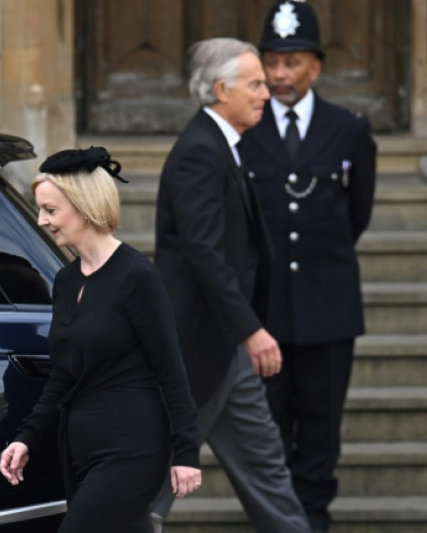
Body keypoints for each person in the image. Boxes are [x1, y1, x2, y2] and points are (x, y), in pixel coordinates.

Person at [150, 38, 311, 533]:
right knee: (155, 480)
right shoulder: (199, 151)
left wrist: (243, 331)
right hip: (198, 346)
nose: (267, 93)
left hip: (225, 347)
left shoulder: (221, 144)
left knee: (266, 468)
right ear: (222, 90)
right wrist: (251, 329)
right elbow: (204, 253)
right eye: (256, 84)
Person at [0, 146, 202, 532]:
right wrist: (27, 437)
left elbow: (171, 370)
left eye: (51, 210)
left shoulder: (137, 277)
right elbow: (62, 376)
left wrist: (186, 452)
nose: (41, 220)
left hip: (132, 448)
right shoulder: (66, 280)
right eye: (41, 209)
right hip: (80, 450)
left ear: (85, 206)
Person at [240, 3, 377, 531]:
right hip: (266, 310)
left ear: (315, 66)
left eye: (292, 62)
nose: (280, 74)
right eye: (272, 62)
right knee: (268, 424)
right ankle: (275, 519)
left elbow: (356, 215)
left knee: (321, 425)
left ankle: (313, 517)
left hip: (328, 307)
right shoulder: (245, 130)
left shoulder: (349, 130)